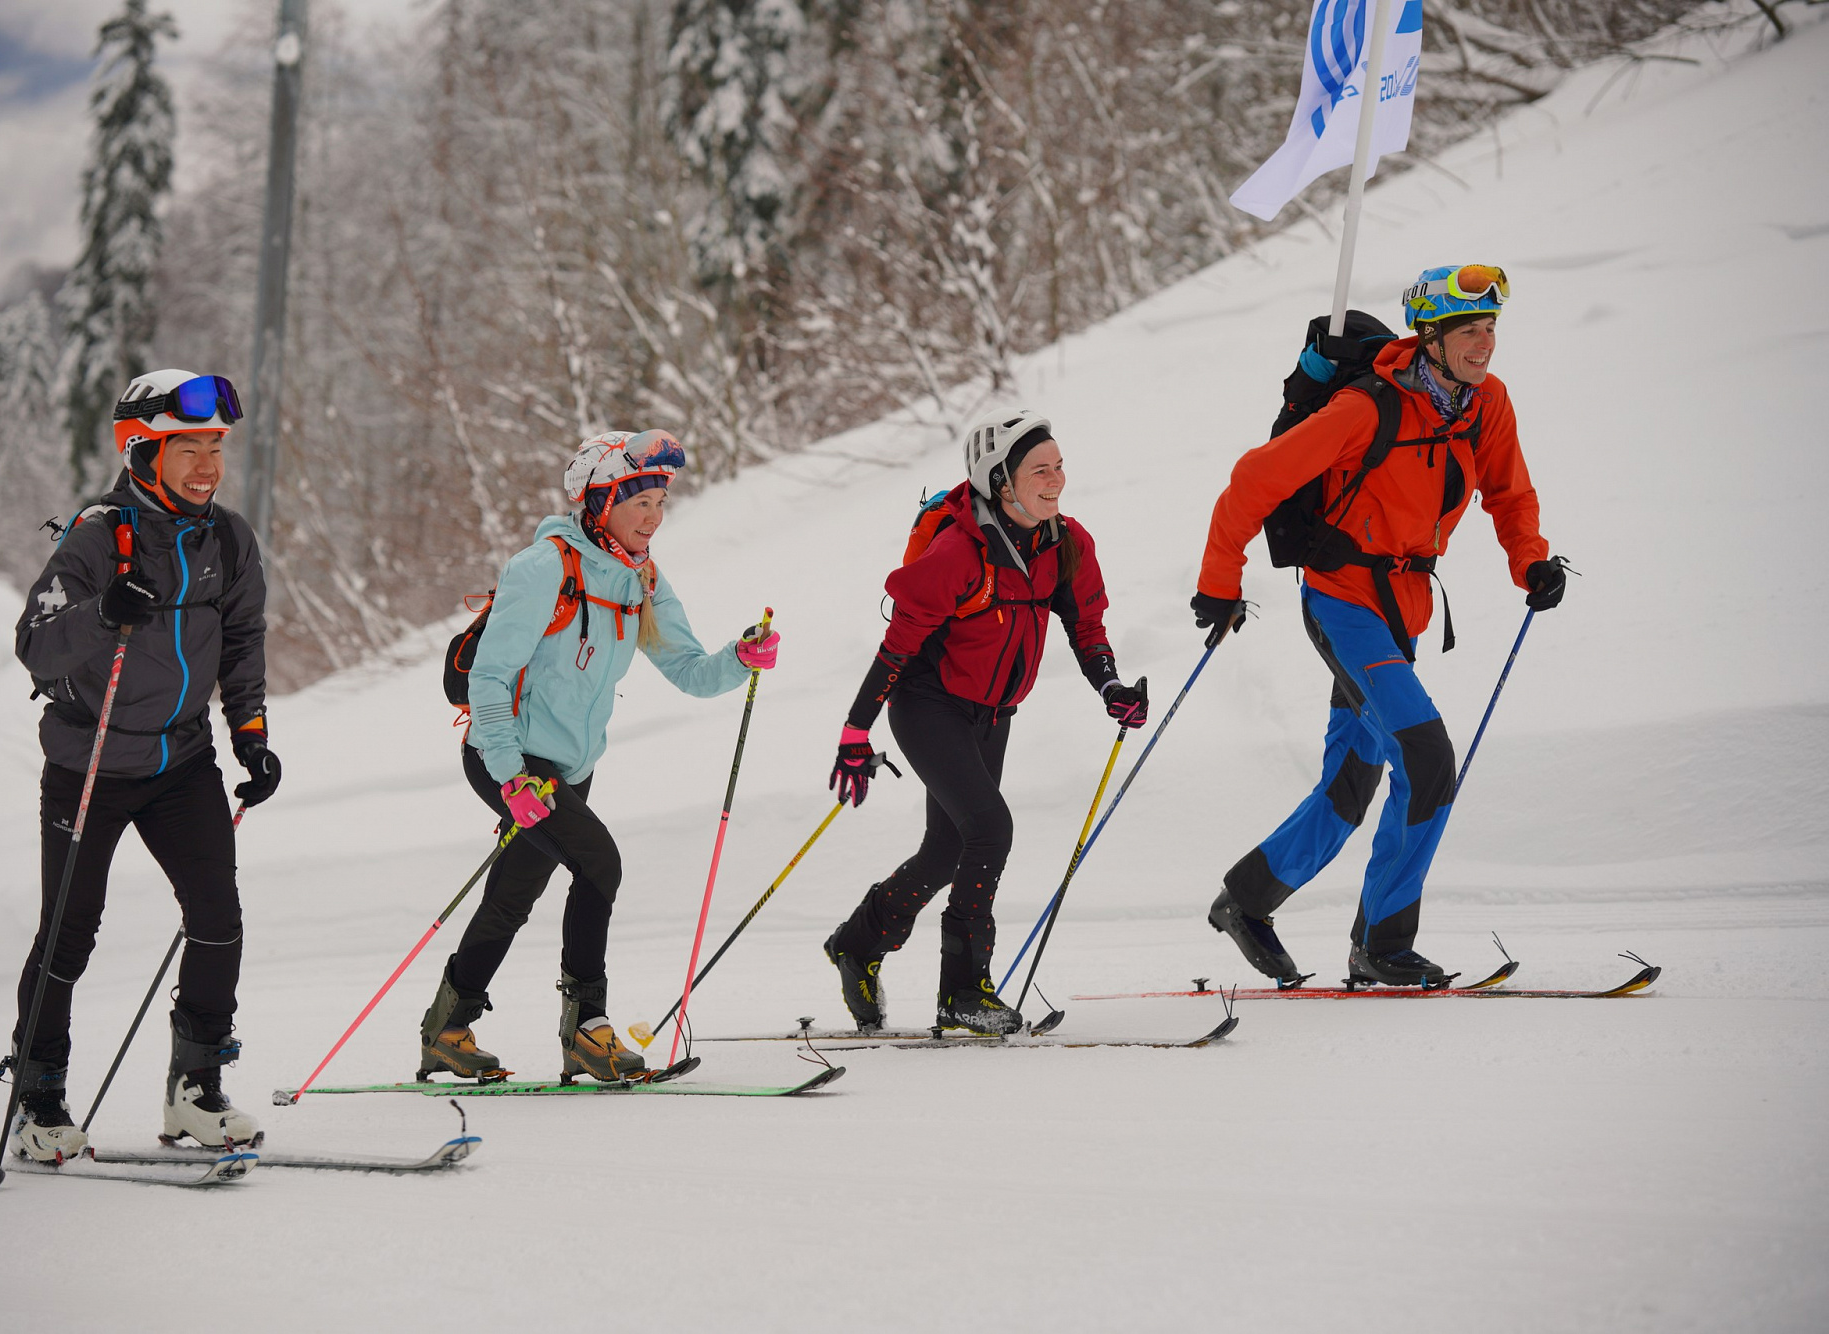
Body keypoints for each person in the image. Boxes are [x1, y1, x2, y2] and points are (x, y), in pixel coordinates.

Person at [1194, 265, 1568, 988]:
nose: (1484, 344)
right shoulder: (1366, 410)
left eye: (1490, 328)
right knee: (1427, 756)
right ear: (1429, 338)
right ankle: (1383, 945)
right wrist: (1218, 584)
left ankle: (1246, 899)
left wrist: (1532, 564)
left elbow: (1510, 493)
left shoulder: (1483, 405)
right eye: (1468, 330)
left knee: (1355, 779)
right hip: (1342, 604)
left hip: (1405, 612)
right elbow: (1251, 483)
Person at [420, 430, 777, 1084]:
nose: (653, 515)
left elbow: (689, 669)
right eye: (638, 499)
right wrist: (512, 778)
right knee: (599, 863)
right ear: (599, 501)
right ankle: (587, 1028)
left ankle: (446, 1027)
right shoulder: (545, 567)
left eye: (661, 501)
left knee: (512, 897)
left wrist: (738, 659)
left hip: (571, 769)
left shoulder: (639, 578)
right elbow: (489, 679)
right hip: (508, 757)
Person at [6, 369, 279, 1161]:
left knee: (217, 921)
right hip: (90, 761)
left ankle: (194, 1090)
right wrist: (102, 614)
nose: (207, 465)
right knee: (69, 934)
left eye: (215, 447)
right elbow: (35, 645)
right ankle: (39, 1097)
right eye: (187, 447)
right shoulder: (97, 536)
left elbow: (242, 642)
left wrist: (252, 735)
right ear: (141, 450)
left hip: (182, 762)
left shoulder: (227, 538)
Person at [822, 407, 1149, 1035]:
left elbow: (1085, 624)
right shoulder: (956, 552)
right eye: (1039, 470)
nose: (1055, 481)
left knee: (947, 852)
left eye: (1059, 467)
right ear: (1001, 480)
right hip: (927, 705)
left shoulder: (1067, 543)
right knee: (990, 829)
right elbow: (898, 644)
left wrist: (1109, 684)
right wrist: (856, 731)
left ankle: (857, 944)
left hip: (993, 714)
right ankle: (964, 989)